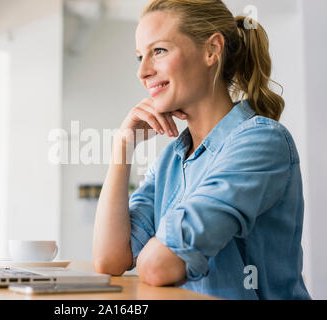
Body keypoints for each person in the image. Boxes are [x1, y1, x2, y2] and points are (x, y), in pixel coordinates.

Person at [92, 0, 311, 300]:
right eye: (140, 56)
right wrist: (122, 146)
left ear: (211, 50)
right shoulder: (171, 158)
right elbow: (110, 260)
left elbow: (158, 266)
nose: (142, 71)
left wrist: (158, 248)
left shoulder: (261, 142)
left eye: (159, 51)